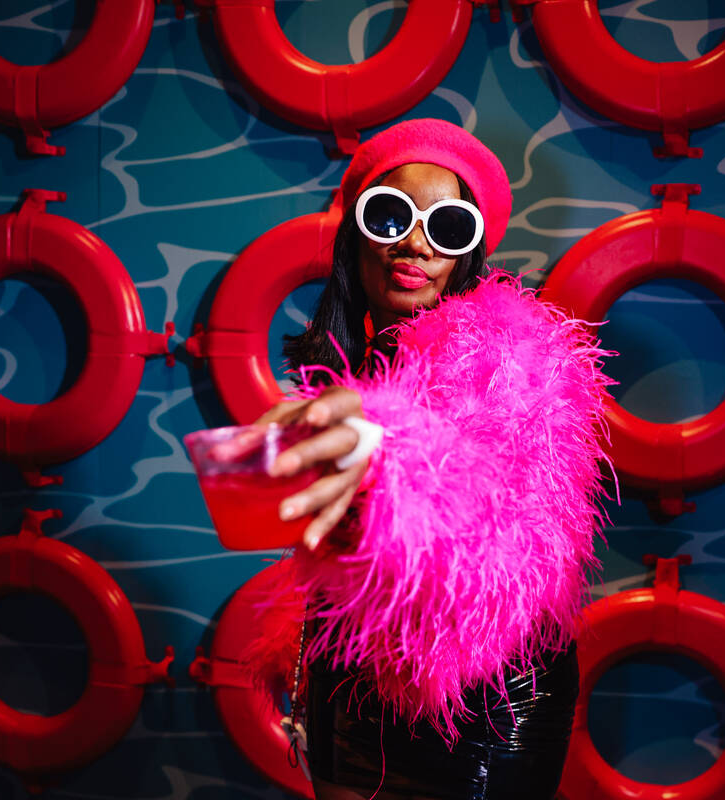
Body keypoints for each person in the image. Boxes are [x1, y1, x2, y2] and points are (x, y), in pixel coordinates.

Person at [244, 119, 611, 800]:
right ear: (355, 238)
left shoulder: (514, 361)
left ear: (466, 255)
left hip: (479, 712)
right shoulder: (352, 371)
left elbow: (495, 521)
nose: (413, 242)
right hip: (353, 694)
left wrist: (384, 445)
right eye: (389, 216)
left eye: (445, 228)